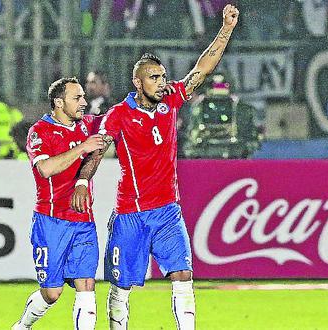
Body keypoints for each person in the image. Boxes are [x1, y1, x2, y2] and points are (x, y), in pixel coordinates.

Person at [71, 5, 239, 330]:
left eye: (163, 76)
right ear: (138, 81)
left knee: (183, 275)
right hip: (130, 214)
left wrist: (226, 29)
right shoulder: (119, 114)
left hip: (167, 211)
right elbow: (98, 149)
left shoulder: (172, 98)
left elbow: (202, 69)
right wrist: (81, 182)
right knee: (121, 286)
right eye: (154, 77)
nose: (162, 82)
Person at [12, 77, 106, 330]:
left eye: (84, 97)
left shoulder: (88, 125)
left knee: (86, 285)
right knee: (52, 293)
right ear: (58, 102)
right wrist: (83, 148)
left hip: (83, 220)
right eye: (77, 98)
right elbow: (45, 168)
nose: (84, 103)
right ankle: (22, 326)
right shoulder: (40, 131)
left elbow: (111, 129)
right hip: (51, 221)